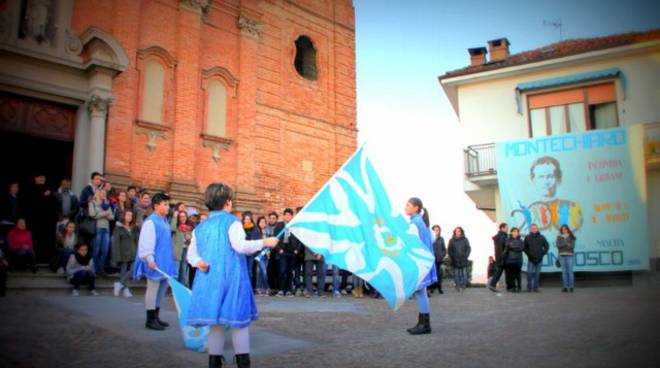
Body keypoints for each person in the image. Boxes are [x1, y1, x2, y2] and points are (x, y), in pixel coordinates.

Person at [186, 183, 278, 368]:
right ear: (228, 202)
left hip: (210, 280)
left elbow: (191, 254)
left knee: (216, 324)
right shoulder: (232, 222)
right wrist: (264, 242)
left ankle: (214, 362)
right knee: (239, 322)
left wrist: (198, 262)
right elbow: (240, 246)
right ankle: (243, 362)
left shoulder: (200, 227)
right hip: (232, 278)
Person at [133, 193, 177, 331]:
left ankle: (156, 316)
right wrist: (150, 259)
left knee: (162, 290)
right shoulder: (151, 222)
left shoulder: (164, 221)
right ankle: (150, 319)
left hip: (164, 262)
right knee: (152, 290)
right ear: (156, 205)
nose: (168, 207)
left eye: (168, 204)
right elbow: (146, 242)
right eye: (165, 204)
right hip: (154, 262)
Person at [404, 197, 437, 335]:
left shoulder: (414, 224)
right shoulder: (421, 223)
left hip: (419, 263)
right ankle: (423, 322)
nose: (405, 207)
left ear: (416, 208)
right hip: (425, 261)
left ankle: (424, 324)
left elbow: (411, 242)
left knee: (420, 292)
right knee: (421, 292)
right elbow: (432, 238)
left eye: (408, 205)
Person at [24, 174, 57, 263]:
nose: (42, 179)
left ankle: (46, 259)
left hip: (47, 222)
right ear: (35, 178)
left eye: (43, 177)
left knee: (46, 240)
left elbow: (54, 206)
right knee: (34, 240)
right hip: (34, 222)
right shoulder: (30, 190)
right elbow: (28, 205)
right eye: (40, 177)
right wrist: (42, 195)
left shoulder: (50, 191)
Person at [112, 210, 138, 298]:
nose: (129, 217)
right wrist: (117, 256)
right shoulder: (118, 228)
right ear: (123, 216)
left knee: (134, 269)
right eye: (128, 215)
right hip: (123, 252)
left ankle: (119, 284)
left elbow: (136, 241)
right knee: (123, 271)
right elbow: (116, 242)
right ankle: (126, 290)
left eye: (131, 215)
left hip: (133, 252)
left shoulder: (134, 228)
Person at [88, 189, 113, 275]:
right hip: (97, 228)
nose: (104, 195)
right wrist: (105, 214)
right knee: (96, 249)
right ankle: (94, 268)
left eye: (105, 193)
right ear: (98, 194)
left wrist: (103, 214)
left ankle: (101, 268)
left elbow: (112, 217)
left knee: (105, 250)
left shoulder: (107, 204)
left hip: (106, 229)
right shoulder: (93, 203)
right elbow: (92, 214)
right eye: (102, 193)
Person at [275, 208, 296, 297]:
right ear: (283, 216)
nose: (287, 216)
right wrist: (278, 249)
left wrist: (297, 249)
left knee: (290, 272)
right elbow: (275, 237)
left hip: (292, 251)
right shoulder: (279, 225)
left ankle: (289, 290)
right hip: (282, 250)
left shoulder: (294, 226)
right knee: (282, 271)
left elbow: (298, 239)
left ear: (292, 216)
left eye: (289, 215)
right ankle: (281, 290)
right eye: (286, 215)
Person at [523, 224, 549, 292]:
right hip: (531, 259)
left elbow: (546, 246)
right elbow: (525, 248)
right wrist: (529, 254)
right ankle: (529, 287)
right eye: (532, 228)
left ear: (537, 229)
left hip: (539, 259)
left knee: (537, 274)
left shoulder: (542, 237)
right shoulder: (527, 237)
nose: (534, 229)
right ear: (530, 229)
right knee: (529, 273)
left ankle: (536, 287)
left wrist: (542, 254)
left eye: (535, 228)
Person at [171, 210, 193, 286]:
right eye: (180, 217)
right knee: (176, 270)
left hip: (185, 250)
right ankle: (174, 287)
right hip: (177, 251)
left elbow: (191, 241)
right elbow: (172, 229)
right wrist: (174, 217)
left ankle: (181, 287)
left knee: (183, 270)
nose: (182, 218)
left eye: (184, 216)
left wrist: (189, 238)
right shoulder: (176, 227)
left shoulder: (188, 228)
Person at [447, 227, 470, 292]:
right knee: (456, 274)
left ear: (461, 232)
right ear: (454, 232)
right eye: (456, 231)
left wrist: (466, 255)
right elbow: (449, 250)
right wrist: (452, 257)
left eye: (459, 231)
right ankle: (458, 286)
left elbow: (468, 248)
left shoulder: (465, 239)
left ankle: (463, 286)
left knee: (464, 274)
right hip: (455, 260)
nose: (458, 232)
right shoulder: (451, 240)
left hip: (463, 259)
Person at [488, 223, 508, 292]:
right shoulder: (501, 236)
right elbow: (500, 248)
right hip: (502, 258)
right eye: (506, 228)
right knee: (499, 272)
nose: (507, 229)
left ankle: (492, 285)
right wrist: (502, 257)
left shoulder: (501, 236)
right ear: (502, 228)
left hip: (500, 257)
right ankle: (492, 285)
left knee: (499, 272)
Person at [254, 216, 271, 296]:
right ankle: (267, 288)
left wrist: (268, 251)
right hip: (259, 255)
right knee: (264, 272)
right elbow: (255, 243)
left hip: (266, 255)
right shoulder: (256, 231)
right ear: (258, 223)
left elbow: (269, 243)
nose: (263, 224)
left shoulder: (267, 232)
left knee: (261, 273)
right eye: (261, 222)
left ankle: (260, 289)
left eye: (264, 222)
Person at [503, 227, 524, 292]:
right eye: (514, 231)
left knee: (518, 274)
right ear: (511, 232)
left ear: (518, 233)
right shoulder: (508, 240)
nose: (515, 233)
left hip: (519, 259)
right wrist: (516, 248)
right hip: (510, 259)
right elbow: (507, 246)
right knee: (512, 274)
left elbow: (522, 248)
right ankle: (513, 287)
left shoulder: (521, 240)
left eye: (516, 231)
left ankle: (519, 287)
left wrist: (513, 247)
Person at [557, 224, 576, 292]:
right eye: (563, 229)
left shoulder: (571, 237)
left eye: (565, 229)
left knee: (570, 271)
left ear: (568, 229)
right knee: (564, 272)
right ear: (561, 230)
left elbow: (572, 246)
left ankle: (571, 287)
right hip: (561, 255)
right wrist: (566, 244)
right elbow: (558, 246)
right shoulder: (559, 237)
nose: (564, 230)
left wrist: (564, 245)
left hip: (570, 255)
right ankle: (565, 287)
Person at [242, 213, 258, 287]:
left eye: (248, 219)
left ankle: (249, 286)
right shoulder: (241, 228)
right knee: (243, 270)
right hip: (242, 252)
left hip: (250, 252)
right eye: (245, 219)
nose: (247, 220)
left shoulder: (254, 228)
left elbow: (255, 239)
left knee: (250, 271)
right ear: (243, 220)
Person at [430, 224, 446, 295]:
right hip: (432, 259)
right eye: (434, 230)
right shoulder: (430, 238)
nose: (436, 231)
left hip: (439, 259)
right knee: (433, 274)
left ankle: (439, 288)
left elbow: (444, 249)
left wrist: (442, 255)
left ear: (439, 231)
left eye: (437, 230)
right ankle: (432, 288)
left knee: (438, 274)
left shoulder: (441, 239)